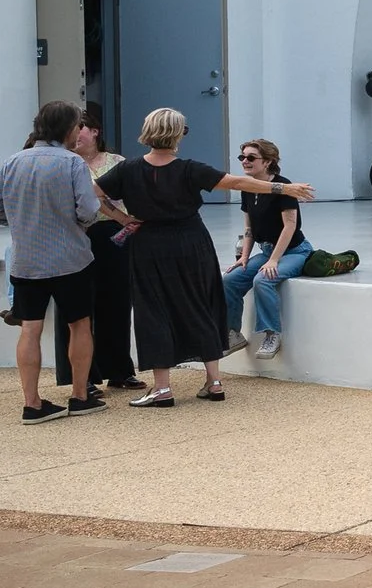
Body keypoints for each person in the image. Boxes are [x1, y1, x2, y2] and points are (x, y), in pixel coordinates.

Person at [98, 108, 314, 409]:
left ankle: (162, 388)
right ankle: (214, 381)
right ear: (177, 135)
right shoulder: (189, 168)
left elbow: (93, 191)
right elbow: (238, 183)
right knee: (201, 304)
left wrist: (121, 218)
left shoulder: (129, 169)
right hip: (191, 242)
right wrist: (284, 187)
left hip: (150, 244)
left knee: (153, 311)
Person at [3, 101, 101, 423]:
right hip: (69, 258)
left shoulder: (11, 162)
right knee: (79, 325)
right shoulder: (73, 163)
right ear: (68, 128)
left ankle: (32, 403)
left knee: (30, 329)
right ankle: (79, 396)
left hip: (27, 259)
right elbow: (87, 211)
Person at [59, 104, 140, 392]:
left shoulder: (117, 161)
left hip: (112, 236)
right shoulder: (64, 161)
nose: (76, 133)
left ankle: (120, 370)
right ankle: (85, 377)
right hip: (76, 234)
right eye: (73, 127)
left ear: (94, 131)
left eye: (81, 126)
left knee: (117, 302)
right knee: (79, 306)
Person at [221, 138, 312, 359]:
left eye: (251, 157)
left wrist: (273, 260)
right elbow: (249, 228)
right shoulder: (247, 188)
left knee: (263, 280)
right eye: (242, 157)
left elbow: (289, 227)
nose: (245, 161)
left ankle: (272, 334)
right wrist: (244, 257)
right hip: (266, 251)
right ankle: (233, 333)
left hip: (294, 251)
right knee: (229, 280)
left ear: (268, 162)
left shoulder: (284, 185)